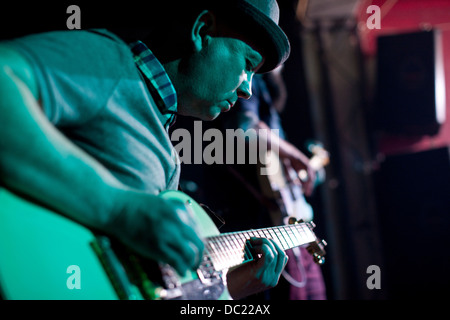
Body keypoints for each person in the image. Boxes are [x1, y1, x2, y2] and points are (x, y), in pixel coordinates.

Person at [0, 0, 296, 299]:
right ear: (201, 30)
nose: (247, 89)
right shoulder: (111, 64)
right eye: (247, 65)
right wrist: (118, 207)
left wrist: (232, 287)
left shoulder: (164, 140)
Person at [196, 66, 326, 300]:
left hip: (285, 226)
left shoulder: (266, 88)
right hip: (262, 225)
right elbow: (244, 129)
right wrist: (295, 155)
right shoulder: (250, 80)